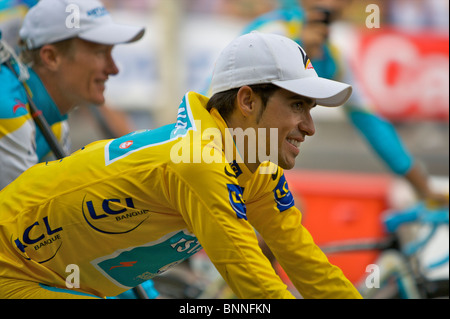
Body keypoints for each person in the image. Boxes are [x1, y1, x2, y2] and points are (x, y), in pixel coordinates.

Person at [0, 31, 362, 299]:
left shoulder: (261, 168)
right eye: (298, 106)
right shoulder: (200, 161)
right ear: (247, 101)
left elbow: (309, 267)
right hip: (12, 270)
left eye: (311, 110)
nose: (309, 127)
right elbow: (258, 288)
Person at [242, 0, 448, 205]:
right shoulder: (271, 31)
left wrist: (423, 188)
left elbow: (371, 123)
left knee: (287, 213)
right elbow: (228, 102)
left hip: (247, 157)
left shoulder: (332, 56)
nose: (309, 128)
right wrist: (296, 50)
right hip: (220, 149)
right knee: (286, 210)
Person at [0, 0, 145, 190]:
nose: (114, 69)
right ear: (51, 57)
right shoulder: (9, 111)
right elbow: (22, 217)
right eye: (101, 53)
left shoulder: (57, 125)